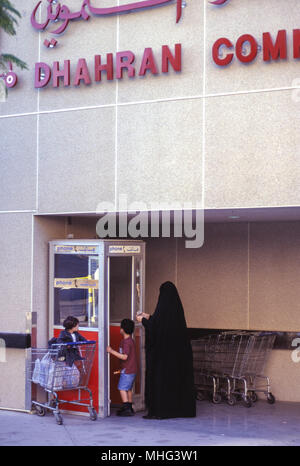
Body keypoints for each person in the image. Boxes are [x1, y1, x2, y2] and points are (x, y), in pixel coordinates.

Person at [136, 281, 196, 419]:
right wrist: (149, 316)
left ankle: (161, 409)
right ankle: (179, 409)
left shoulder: (163, 309)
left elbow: (157, 328)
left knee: (161, 381)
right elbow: (161, 323)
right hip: (178, 357)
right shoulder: (177, 311)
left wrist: (143, 321)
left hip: (163, 358)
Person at [107, 318, 137, 417]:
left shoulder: (126, 342)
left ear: (122, 329)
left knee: (122, 388)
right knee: (128, 389)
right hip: (131, 369)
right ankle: (129, 407)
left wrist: (111, 351)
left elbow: (124, 356)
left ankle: (126, 407)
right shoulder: (129, 341)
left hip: (128, 370)